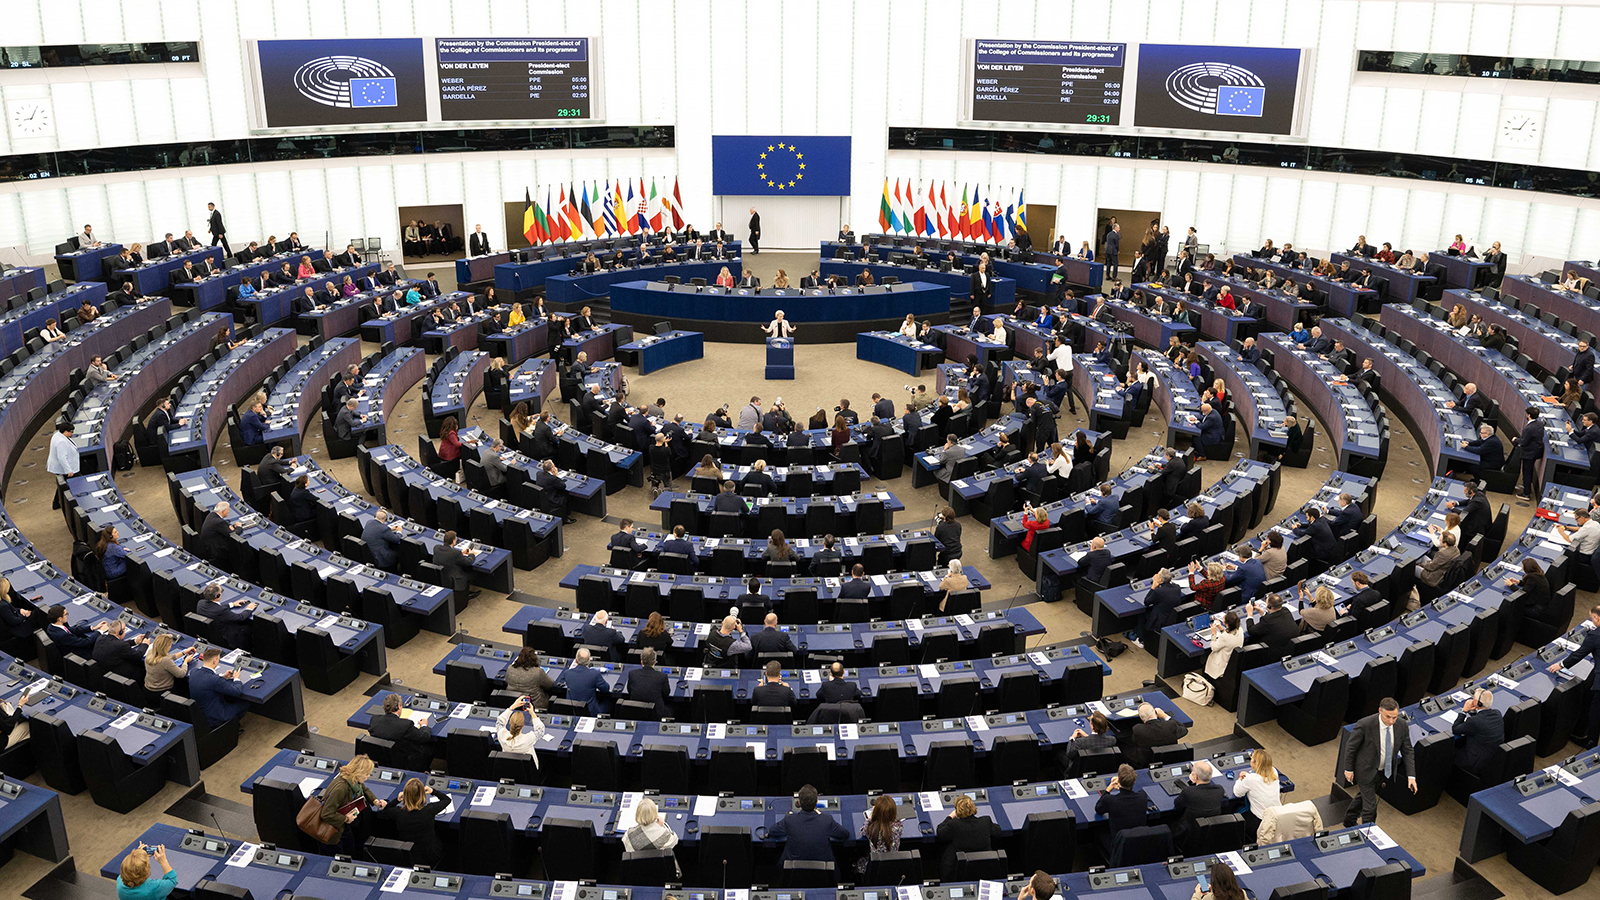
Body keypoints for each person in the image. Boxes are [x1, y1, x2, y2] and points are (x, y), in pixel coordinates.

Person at [1342, 697, 1418, 825]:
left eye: (1394, 717)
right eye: (1388, 717)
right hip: (1365, 770)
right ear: (1380, 711)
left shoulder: (1402, 725)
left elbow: (1407, 751)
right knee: (1370, 809)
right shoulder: (1365, 724)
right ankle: (1368, 835)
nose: (1391, 721)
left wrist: (1411, 776)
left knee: (1364, 797)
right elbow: (1351, 748)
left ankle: (1349, 820)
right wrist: (1348, 769)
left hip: (1384, 771)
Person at [1546, 604, 1600, 747]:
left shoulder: (1595, 635)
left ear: (1596, 618)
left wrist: (1561, 665)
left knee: (1596, 710)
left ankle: (1590, 741)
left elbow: (1579, 654)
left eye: (1592, 618)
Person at [770, 783, 849, 865]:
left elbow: (772, 831)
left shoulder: (789, 819)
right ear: (816, 802)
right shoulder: (827, 820)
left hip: (792, 874)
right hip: (824, 874)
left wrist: (789, 816)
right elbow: (845, 834)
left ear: (799, 803)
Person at [380, 778, 450, 868]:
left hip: (407, 853)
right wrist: (433, 791)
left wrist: (397, 800)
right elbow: (446, 800)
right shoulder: (429, 810)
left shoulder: (398, 813)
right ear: (422, 795)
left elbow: (386, 810)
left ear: (405, 795)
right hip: (430, 853)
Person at [936, 794, 1002, 880]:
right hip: (984, 869)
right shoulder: (986, 821)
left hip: (960, 870)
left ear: (957, 810)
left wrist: (950, 817)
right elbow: (998, 831)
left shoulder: (954, 824)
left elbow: (940, 832)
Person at [368, 693, 435, 770]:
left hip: (383, 758)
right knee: (431, 746)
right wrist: (424, 725)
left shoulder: (374, 720)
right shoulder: (406, 725)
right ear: (399, 707)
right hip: (404, 761)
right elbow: (424, 737)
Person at [189, 647, 250, 730]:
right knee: (245, 703)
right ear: (214, 661)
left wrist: (223, 677)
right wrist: (236, 678)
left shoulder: (194, 672)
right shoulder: (216, 680)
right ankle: (231, 728)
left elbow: (208, 680)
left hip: (201, 713)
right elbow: (237, 692)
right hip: (217, 716)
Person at [1172, 760, 1226, 851]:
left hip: (1188, 832)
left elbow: (1177, 805)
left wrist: (1191, 784)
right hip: (1211, 831)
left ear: (1195, 776)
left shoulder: (1189, 791)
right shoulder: (1220, 789)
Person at [1451, 688, 1504, 777]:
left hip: (1475, 762)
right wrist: (1472, 711)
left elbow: (1455, 728)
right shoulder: (1497, 713)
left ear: (1477, 703)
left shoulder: (1474, 722)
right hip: (1493, 757)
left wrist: (1464, 711)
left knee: (1447, 752)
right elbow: (1481, 720)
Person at [1095, 764, 1148, 848]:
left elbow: (1098, 809)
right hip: (1139, 843)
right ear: (1134, 781)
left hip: (1118, 846)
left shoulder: (1110, 800)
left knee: (1097, 830)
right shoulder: (1142, 796)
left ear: (1119, 781)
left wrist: (1110, 787)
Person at [1232, 749, 1281, 835]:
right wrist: (1248, 775)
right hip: (1277, 817)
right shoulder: (1274, 771)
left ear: (1255, 763)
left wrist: (1240, 778)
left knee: (1234, 808)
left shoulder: (1251, 779)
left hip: (1259, 821)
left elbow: (1237, 792)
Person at [1128, 701, 1189, 767]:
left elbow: (1134, 741)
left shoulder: (1138, 729)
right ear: (1155, 712)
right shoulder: (1170, 725)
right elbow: (1184, 729)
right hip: (1171, 759)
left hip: (1147, 761)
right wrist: (1164, 715)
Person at [856, 794, 903, 876]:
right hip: (892, 862)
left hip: (875, 864)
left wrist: (870, 818)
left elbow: (862, 832)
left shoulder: (871, 827)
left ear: (876, 812)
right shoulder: (898, 826)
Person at [142, 632, 195, 697]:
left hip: (148, 690)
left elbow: (168, 657)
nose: (170, 647)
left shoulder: (150, 653)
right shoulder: (166, 661)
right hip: (162, 693)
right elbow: (181, 674)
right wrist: (186, 661)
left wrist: (183, 653)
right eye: (169, 645)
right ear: (165, 647)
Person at [561, 647, 611, 715]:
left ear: (576, 660)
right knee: (609, 703)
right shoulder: (594, 674)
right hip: (590, 712)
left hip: (572, 710)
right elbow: (606, 689)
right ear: (589, 660)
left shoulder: (567, 673)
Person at [626, 647, 672, 717]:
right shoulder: (662, 676)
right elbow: (666, 694)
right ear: (655, 661)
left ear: (641, 661)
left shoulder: (632, 674)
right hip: (656, 713)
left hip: (636, 711)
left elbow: (630, 691)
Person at [1513, 405, 1545, 498]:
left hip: (1529, 453)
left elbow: (1523, 442)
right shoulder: (1539, 424)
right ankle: (1527, 490)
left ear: (1529, 415)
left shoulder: (1529, 428)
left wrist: (1515, 440)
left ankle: (1526, 493)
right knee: (1529, 472)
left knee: (1526, 473)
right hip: (1536, 451)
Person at [1205, 611, 1244, 686]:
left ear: (1226, 622)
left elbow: (1214, 647)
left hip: (1221, 663)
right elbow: (1228, 639)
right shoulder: (1240, 630)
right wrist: (1221, 628)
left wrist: (1214, 634)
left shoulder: (1224, 637)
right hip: (1230, 660)